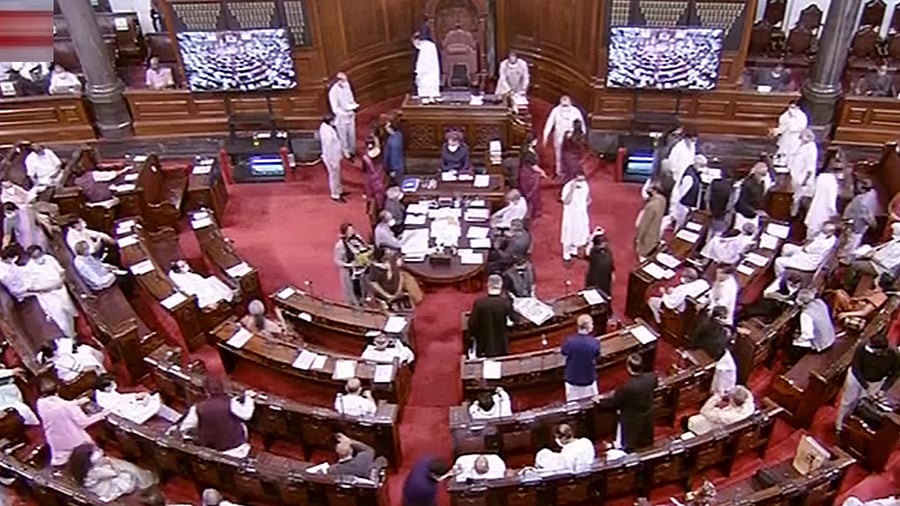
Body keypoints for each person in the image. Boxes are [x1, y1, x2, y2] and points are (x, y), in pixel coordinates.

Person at [36, 378, 109, 466]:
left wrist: (76, 402)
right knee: (97, 453)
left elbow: (58, 408)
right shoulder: (68, 407)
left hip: (56, 443)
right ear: (58, 388)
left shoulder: (40, 403)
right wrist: (102, 414)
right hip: (75, 442)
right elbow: (84, 422)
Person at [835, 333, 900, 434]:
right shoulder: (862, 346)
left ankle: (852, 424)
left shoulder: (894, 355)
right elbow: (856, 368)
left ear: (881, 350)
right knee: (847, 401)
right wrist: (866, 386)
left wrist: (883, 389)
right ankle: (839, 425)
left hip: (875, 381)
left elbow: (895, 374)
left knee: (863, 404)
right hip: (856, 378)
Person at [180, 376, 255, 458]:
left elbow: (185, 428)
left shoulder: (197, 407)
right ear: (223, 388)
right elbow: (247, 415)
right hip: (236, 446)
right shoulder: (230, 403)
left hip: (212, 449)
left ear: (206, 391)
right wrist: (249, 398)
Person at [597, 353, 657, 451]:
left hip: (631, 419)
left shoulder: (626, 388)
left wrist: (599, 402)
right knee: (645, 440)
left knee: (629, 444)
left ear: (629, 368)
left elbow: (614, 403)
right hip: (647, 414)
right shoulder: (652, 377)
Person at [68, 444, 157, 502]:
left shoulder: (84, 469)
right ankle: (142, 484)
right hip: (105, 489)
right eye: (97, 452)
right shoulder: (95, 471)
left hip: (98, 484)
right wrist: (111, 464)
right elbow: (114, 473)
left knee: (122, 466)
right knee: (127, 475)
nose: (100, 452)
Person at [22, 245, 77, 337]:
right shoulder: (28, 270)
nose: (39, 258)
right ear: (31, 257)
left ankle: (75, 332)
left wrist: (61, 281)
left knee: (69, 312)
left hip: (61, 290)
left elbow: (61, 271)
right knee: (61, 319)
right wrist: (50, 287)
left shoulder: (49, 259)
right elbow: (30, 287)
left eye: (39, 254)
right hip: (49, 296)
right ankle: (70, 337)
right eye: (36, 256)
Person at [94, 374, 180, 425]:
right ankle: (177, 418)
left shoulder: (106, 392)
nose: (115, 384)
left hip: (128, 407)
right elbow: (120, 405)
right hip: (130, 414)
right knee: (156, 405)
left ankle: (177, 417)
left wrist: (135, 396)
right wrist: (138, 402)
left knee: (151, 399)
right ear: (105, 387)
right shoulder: (104, 399)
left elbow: (120, 398)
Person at [467, 274, 513, 358]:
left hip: (484, 344)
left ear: (488, 285)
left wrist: (471, 337)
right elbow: (512, 321)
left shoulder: (479, 303)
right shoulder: (506, 303)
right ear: (501, 285)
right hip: (501, 345)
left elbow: (473, 324)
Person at [543, 96, 587, 177]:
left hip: (572, 137)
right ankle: (559, 171)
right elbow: (549, 123)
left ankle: (571, 171)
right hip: (559, 135)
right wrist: (545, 135)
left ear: (570, 102)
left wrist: (582, 135)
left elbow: (581, 124)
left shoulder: (575, 111)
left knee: (571, 155)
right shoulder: (555, 110)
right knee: (558, 153)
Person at [789, 289, 836, 362]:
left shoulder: (806, 314)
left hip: (821, 344)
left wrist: (797, 338)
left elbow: (808, 335)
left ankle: (793, 361)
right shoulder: (820, 302)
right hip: (830, 337)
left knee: (793, 344)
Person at [366, 246, 420, 311]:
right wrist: (388, 295)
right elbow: (374, 283)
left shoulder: (393, 261)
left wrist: (399, 290)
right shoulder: (375, 270)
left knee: (407, 278)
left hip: (399, 287)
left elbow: (401, 275)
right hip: (387, 292)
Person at [561, 315, 600, 402]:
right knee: (591, 402)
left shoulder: (569, 341)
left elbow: (564, 352)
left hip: (572, 377)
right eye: (592, 324)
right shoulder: (594, 342)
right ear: (588, 327)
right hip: (588, 377)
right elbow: (596, 355)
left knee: (572, 405)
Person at [687, 386, 755, 435]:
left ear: (732, 400)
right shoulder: (749, 405)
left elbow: (704, 411)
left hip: (720, 428)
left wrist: (717, 397)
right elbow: (745, 392)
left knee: (692, 420)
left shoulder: (726, 416)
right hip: (733, 425)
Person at [168, 259, 234, 309]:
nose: (186, 266)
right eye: (183, 266)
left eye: (185, 264)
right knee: (208, 285)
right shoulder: (176, 276)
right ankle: (218, 300)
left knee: (212, 279)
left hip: (200, 284)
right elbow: (188, 287)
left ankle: (227, 297)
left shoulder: (187, 273)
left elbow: (198, 279)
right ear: (177, 269)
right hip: (194, 289)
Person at [333, 222, 370, 306]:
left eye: (352, 229)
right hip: (350, 272)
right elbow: (337, 261)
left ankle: (364, 301)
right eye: (349, 230)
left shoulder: (357, 238)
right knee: (353, 291)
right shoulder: (340, 245)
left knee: (363, 287)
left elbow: (363, 247)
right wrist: (351, 265)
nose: (352, 231)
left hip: (361, 270)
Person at [560, 172, 591, 263]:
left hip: (581, 215)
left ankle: (574, 251)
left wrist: (587, 202)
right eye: (579, 180)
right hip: (571, 216)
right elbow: (566, 201)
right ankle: (566, 256)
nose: (581, 182)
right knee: (569, 234)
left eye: (583, 179)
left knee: (581, 233)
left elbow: (587, 197)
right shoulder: (568, 186)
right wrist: (572, 189)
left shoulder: (585, 184)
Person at [328, 72, 359, 159]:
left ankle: (352, 150)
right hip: (341, 118)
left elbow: (351, 98)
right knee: (343, 137)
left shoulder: (347, 85)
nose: (345, 82)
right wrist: (345, 112)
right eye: (343, 80)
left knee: (352, 134)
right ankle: (346, 152)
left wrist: (353, 106)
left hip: (350, 115)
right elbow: (335, 109)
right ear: (338, 81)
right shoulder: (333, 92)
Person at [842, 184, 879, 256]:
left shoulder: (858, 198)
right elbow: (866, 215)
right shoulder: (866, 200)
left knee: (848, 241)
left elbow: (848, 209)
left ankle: (844, 256)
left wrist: (845, 218)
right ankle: (847, 258)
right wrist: (873, 223)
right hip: (858, 225)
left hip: (852, 223)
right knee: (853, 242)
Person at [517, 133, 548, 218]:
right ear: (532, 141)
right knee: (533, 194)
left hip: (525, 173)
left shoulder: (525, 149)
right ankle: (532, 213)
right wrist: (543, 173)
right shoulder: (529, 153)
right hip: (529, 175)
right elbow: (534, 166)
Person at [669, 154, 703, 230]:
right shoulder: (689, 177)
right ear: (696, 164)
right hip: (683, 205)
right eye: (702, 165)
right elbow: (682, 192)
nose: (703, 168)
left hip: (685, 205)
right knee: (679, 225)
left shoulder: (693, 172)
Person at [634, 183, 667, 261]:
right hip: (656, 231)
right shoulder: (663, 199)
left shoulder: (651, 206)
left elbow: (644, 224)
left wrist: (638, 238)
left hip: (648, 236)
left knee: (644, 254)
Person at [805, 164, 838, 237]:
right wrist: (835, 216)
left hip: (813, 216)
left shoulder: (820, 178)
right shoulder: (832, 182)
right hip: (824, 218)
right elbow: (830, 205)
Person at [734, 162, 768, 231]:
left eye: (764, 175)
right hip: (742, 216)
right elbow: (742, 202)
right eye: (761, 174)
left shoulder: (761, 184)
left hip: (754, 216)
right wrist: (754, 211)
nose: (763, 177)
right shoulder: (747, 184)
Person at [319, 114, 345, 203]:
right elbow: (328, 147)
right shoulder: (326, 132)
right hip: (331, 157)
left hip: (335, 156)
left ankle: (339, 190)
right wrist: (332, 161)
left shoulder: (327, 127)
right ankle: (335, 194)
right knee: (334, 176)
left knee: (337, 176)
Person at [412, 33, 441, 104]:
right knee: (429, 80)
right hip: (430, 69)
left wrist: (418, 70)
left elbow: (420, 61)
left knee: (426, 80)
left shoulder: (425, 47)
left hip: (426, 69)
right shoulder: (431, 45)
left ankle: (428, 96)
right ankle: (431, 96)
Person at [361, 137, 387, 211]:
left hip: (372, 177)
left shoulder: (366, 157)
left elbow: (364, 169)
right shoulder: (378, 153)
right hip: (379, 175)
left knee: (373, 191)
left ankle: (376, 207)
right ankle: (379, 206)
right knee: (380, 193)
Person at [585, 232, 614, 296]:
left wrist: (612, 274)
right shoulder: (594, 252)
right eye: (603, 243)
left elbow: (611, 263)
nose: (605, 244)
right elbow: (587, 251)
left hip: (605, 278)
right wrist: (593, 235)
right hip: (595, 278)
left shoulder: (608, 251)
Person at [383, 118, 404, 183]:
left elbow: (394, 156)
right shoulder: (398, 134)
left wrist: (393, 170)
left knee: (395, 182)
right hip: (398, 165)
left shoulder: (394, 142)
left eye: (387, 127)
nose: (385, 128)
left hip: (395, 168)